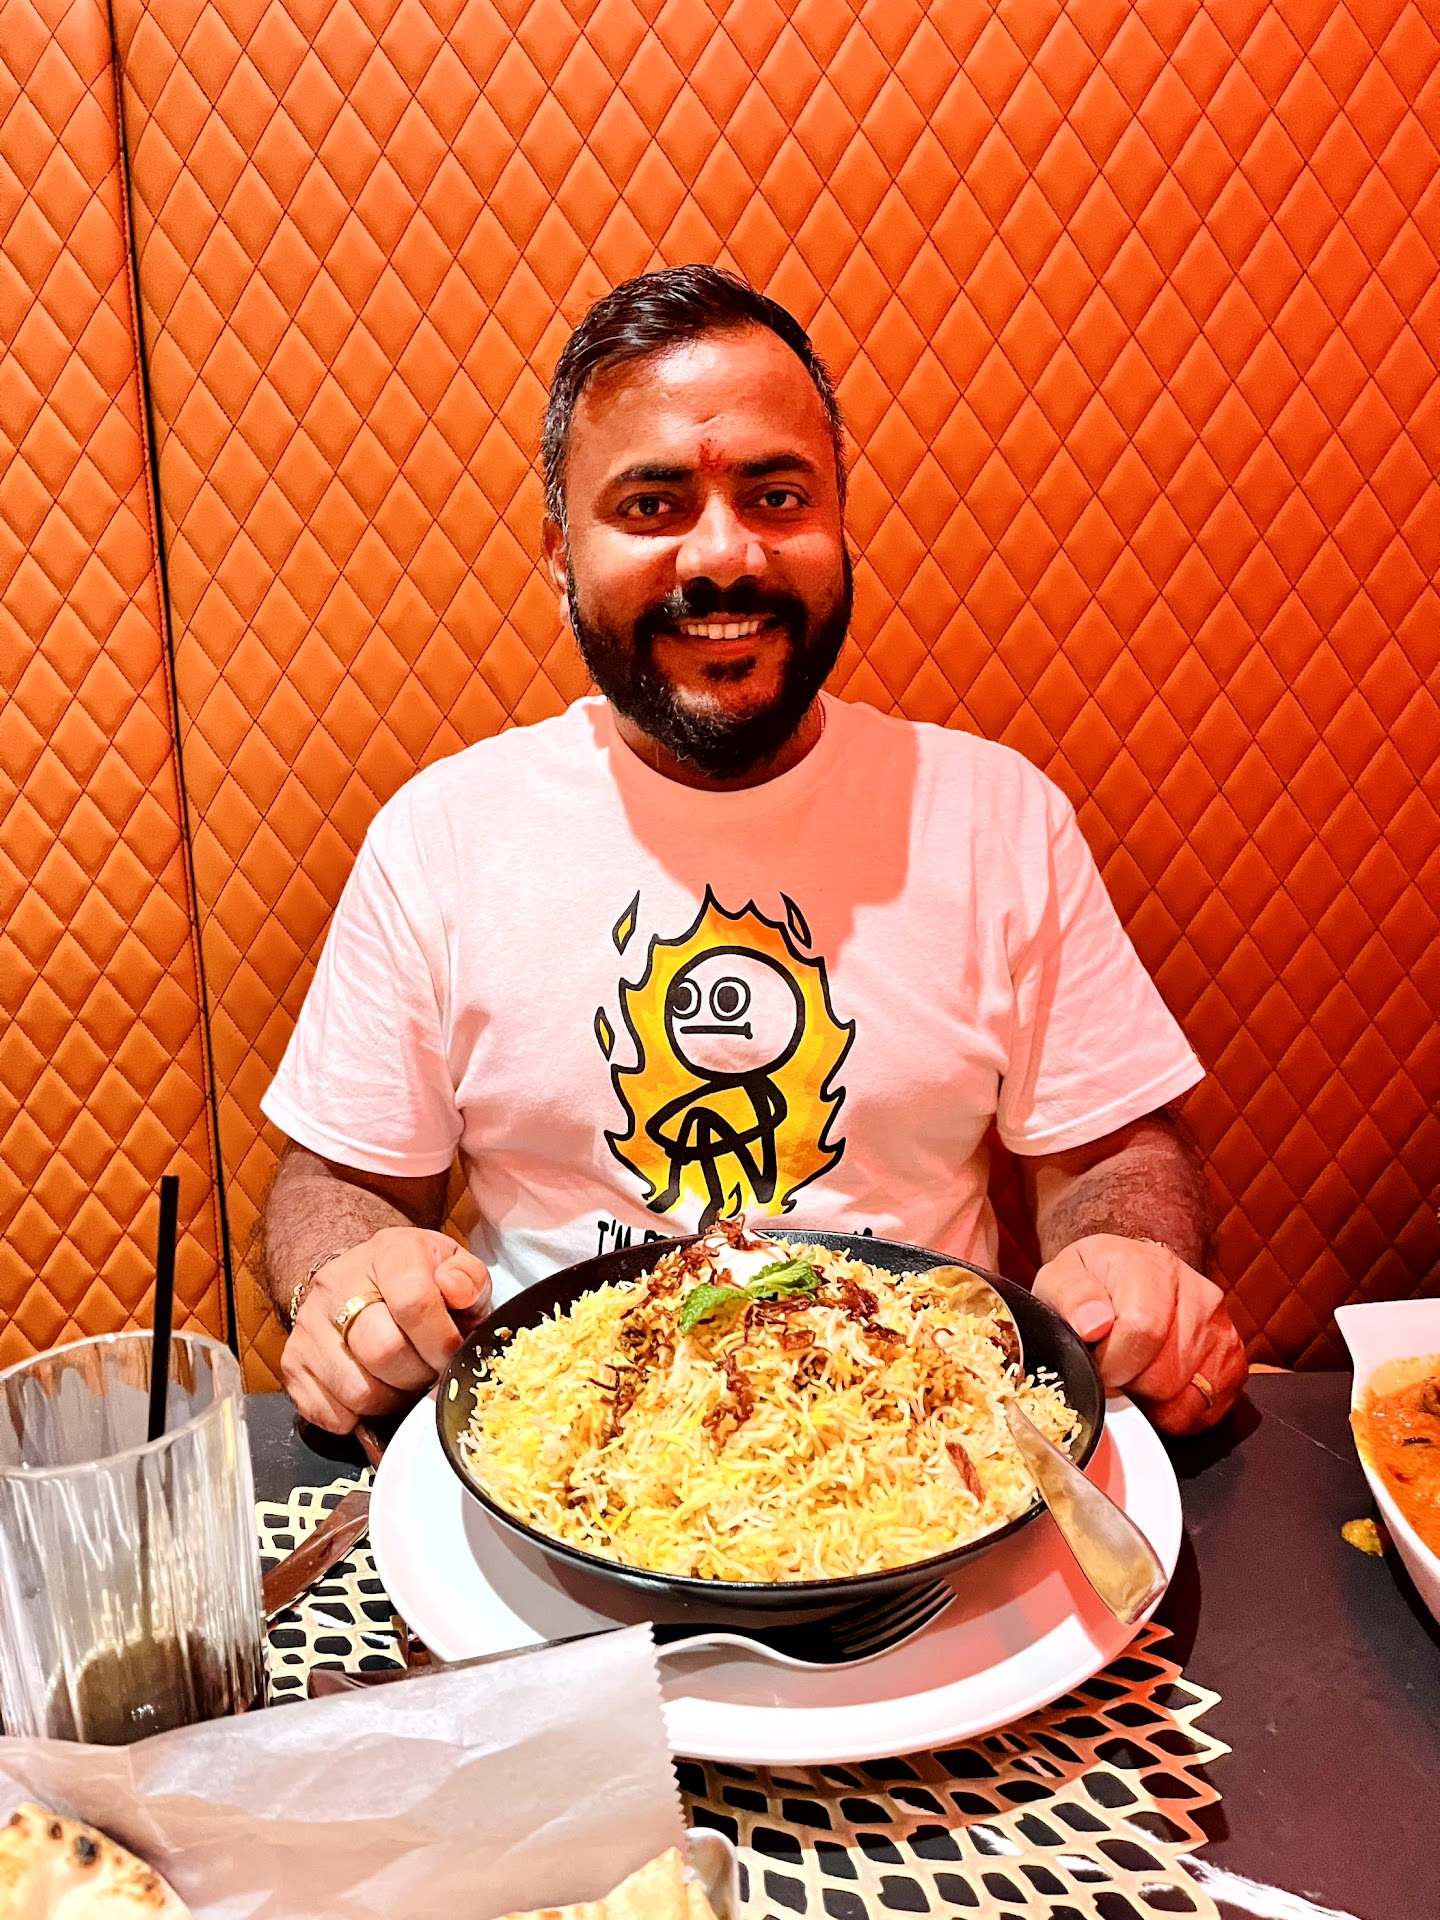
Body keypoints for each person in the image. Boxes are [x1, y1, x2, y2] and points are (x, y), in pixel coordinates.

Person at [258, 266, 1247, 1440]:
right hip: (557, 1452)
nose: (723, 557)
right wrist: (347, 1281)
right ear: (561, 553)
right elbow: (344, 1180)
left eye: (777, 497)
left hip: (922, 1447)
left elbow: (1114, 1152)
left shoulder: (995, 816)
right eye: (652, 505)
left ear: (839, 522)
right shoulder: (444, 835)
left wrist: (1127, 1259)